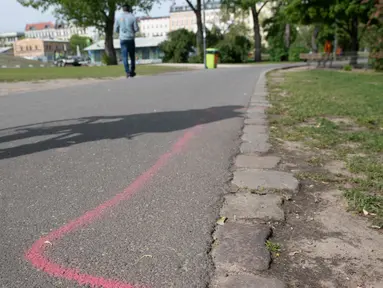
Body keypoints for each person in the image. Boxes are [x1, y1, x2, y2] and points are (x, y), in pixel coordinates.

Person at [115, 4, 139, 78]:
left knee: (124, 56)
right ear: (129, 9)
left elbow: (115, 29)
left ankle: (127, 72)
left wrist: (121, 32)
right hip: (130, 38)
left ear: (123, 9)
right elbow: (136, 29)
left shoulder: (118, 17)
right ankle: (132, 71)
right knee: (132, 56)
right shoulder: (132, 17)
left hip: (123, 39)